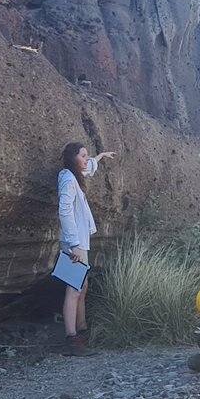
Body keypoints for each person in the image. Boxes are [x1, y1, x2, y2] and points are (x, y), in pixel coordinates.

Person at [57, 141, 115, 357]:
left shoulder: (75, 176)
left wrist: (101, 156)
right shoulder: (67, 179)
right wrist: (73, 245)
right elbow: (64, 211)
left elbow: (89, 167)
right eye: (83, 155)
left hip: (80, 242)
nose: (87, 158)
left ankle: (82, 333)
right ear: (73, 158)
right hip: (74, 243)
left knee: (82, 287)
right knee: (74, 289)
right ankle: (71, 340)